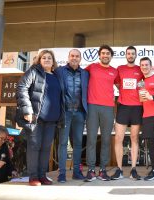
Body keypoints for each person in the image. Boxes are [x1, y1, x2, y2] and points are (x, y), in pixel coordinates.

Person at [16, 50, 63, 186]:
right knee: (34, 146)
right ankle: (33, 177)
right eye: (44, 58)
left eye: (49, 58)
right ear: (39, 60)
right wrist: (27, 110)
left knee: (46, 148)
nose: (47, 59)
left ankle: (42, 175)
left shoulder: (56, 76)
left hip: (52, 119)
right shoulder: (33, 72)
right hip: (36, 117)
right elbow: (22, 88)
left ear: (53, 61)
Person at [84, 45, 118, 182]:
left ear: (111, 56)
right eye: (103, 53)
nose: (105, 55)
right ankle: (91, 170)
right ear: (99, 55)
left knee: (106, 140)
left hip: (108, 108)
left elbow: (124, 85)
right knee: (91, 139)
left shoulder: (115, 71)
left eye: (108, 53)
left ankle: (103, 170)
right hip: (92, 106)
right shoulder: (91, 67)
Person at [111, 46, 143, 180]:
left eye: (132, 54)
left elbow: (146, 82)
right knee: (118, 138)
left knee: (134, 138)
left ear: (136, 55)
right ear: (126, 55)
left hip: (137, 107)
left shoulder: (140, 69)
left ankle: (133, 169)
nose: (130, 55)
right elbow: (117, 83)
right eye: (128, 53)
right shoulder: (120, 69)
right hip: (123, 106)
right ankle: (119, 169)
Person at [56, 49, 89, 183]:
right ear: (68, 57)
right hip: (65, 112)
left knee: (78, 143)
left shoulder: (86, 73)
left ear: (80, 59)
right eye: (72, 56)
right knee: (63, 143)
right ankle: (62, 174)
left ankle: (76, 172)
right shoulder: (59, 71)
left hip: (80, 113)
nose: (74, 58)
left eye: (77, 56)